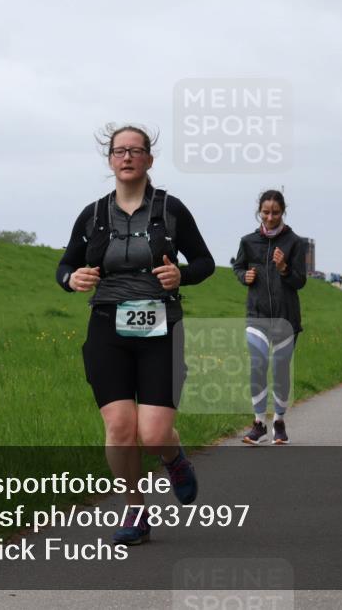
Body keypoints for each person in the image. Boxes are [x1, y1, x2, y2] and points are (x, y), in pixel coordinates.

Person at [56, 124, 215, 545]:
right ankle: (135, 511)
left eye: (135, 150)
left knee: (154, 433)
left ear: (149, 159)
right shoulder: (92, 214)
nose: (127, 157)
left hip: (160, 325)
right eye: (119, 151)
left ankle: (173, 457)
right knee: (120, 428)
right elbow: (65, 265)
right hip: (107, 326)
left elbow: (205, 262)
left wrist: (181, 275)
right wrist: (72, 279)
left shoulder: (171, 209)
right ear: (110, 159)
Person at [232, 190, 307, 445]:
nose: (270, 217)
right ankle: (258, 424)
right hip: (257, 315)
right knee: (258, 366)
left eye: (275, 212)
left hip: (286, 318)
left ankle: (279, 421)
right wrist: (244, 277)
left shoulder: (295, 242)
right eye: (266, 212)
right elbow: (238, 267)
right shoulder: (248, 241)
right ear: (259, 212)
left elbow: (300, 281)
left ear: (283, 211)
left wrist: (284, 268)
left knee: (281, 370)